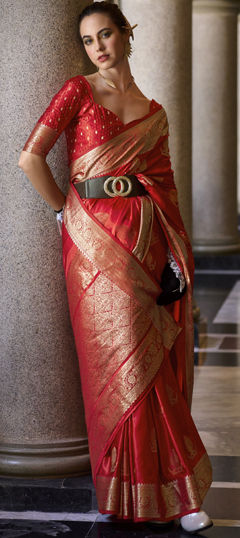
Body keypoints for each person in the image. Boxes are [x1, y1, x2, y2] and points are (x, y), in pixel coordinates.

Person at [18, 2, 213, 533]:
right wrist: (63, 210)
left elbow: (166, 187)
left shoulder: (153, 111)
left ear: (127, 35)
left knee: (153, 367)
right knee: (116, 370)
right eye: (88, 40)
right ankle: (122, 492)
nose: (98, 47)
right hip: (92, 243)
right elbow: (30, 157)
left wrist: (175, 254)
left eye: (106, 34)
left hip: (147, 242)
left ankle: (181, 496)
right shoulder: (77, 91)